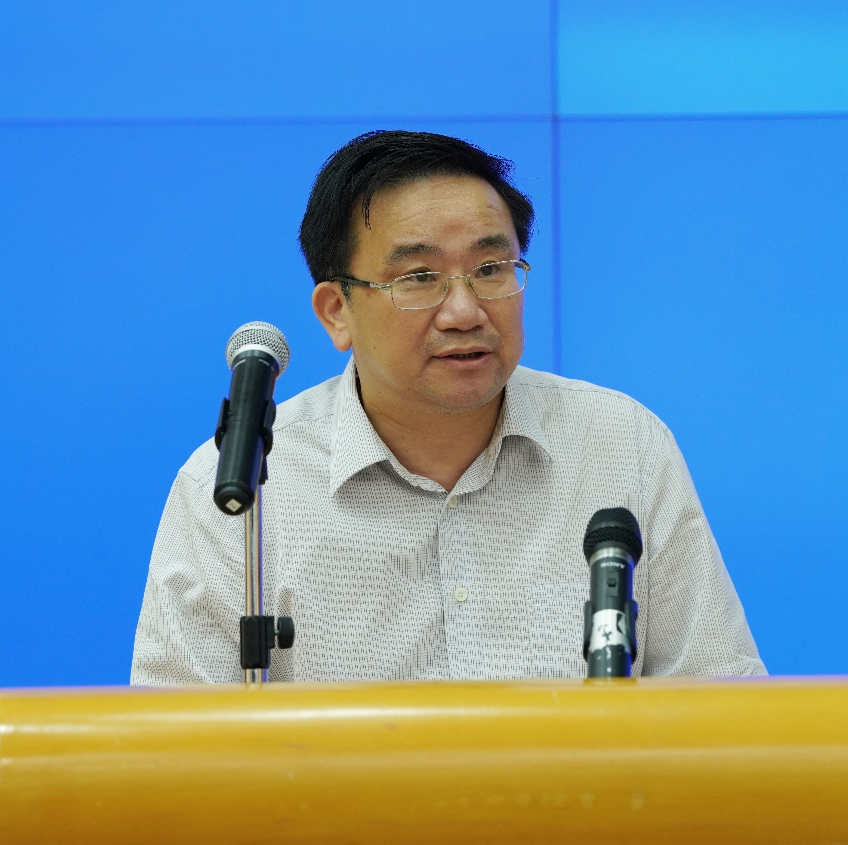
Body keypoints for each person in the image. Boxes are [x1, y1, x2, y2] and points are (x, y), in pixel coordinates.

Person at [131, 130, 765, 684]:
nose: (464, 311)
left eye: (491, 268)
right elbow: (171, 748)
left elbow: (720, 705)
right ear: (337, 311)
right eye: (419, 278)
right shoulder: (242, 489)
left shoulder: (622, 445)